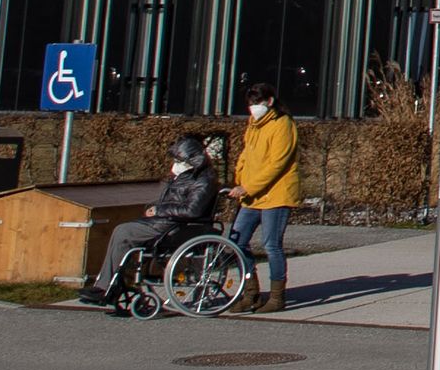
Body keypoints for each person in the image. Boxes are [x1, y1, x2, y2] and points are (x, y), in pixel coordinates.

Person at [80, 133, 222, 310]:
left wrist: (159, 210)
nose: (175, 164)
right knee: (122, 231)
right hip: (166, 223)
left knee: (124, 232)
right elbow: (170, 202)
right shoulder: (183, 178)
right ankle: (111, 283)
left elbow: (192, 211)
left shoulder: (203, 181)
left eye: (179, 160)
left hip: (177, 227)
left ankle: (107, 286)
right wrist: (155, 207)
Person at [227, 90, 300, 312]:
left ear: (269, 101)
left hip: (276, 195)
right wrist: (240, 178)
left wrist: (248, 186)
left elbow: (277, 164)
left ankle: (277, 297)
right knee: (236, 242)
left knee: (271, 245)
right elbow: (246, 155)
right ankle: (251, 292)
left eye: (257, 102)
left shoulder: (282, 124)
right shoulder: (254, 124)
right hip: (252, 196)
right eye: (250, 102)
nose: (253, 106)